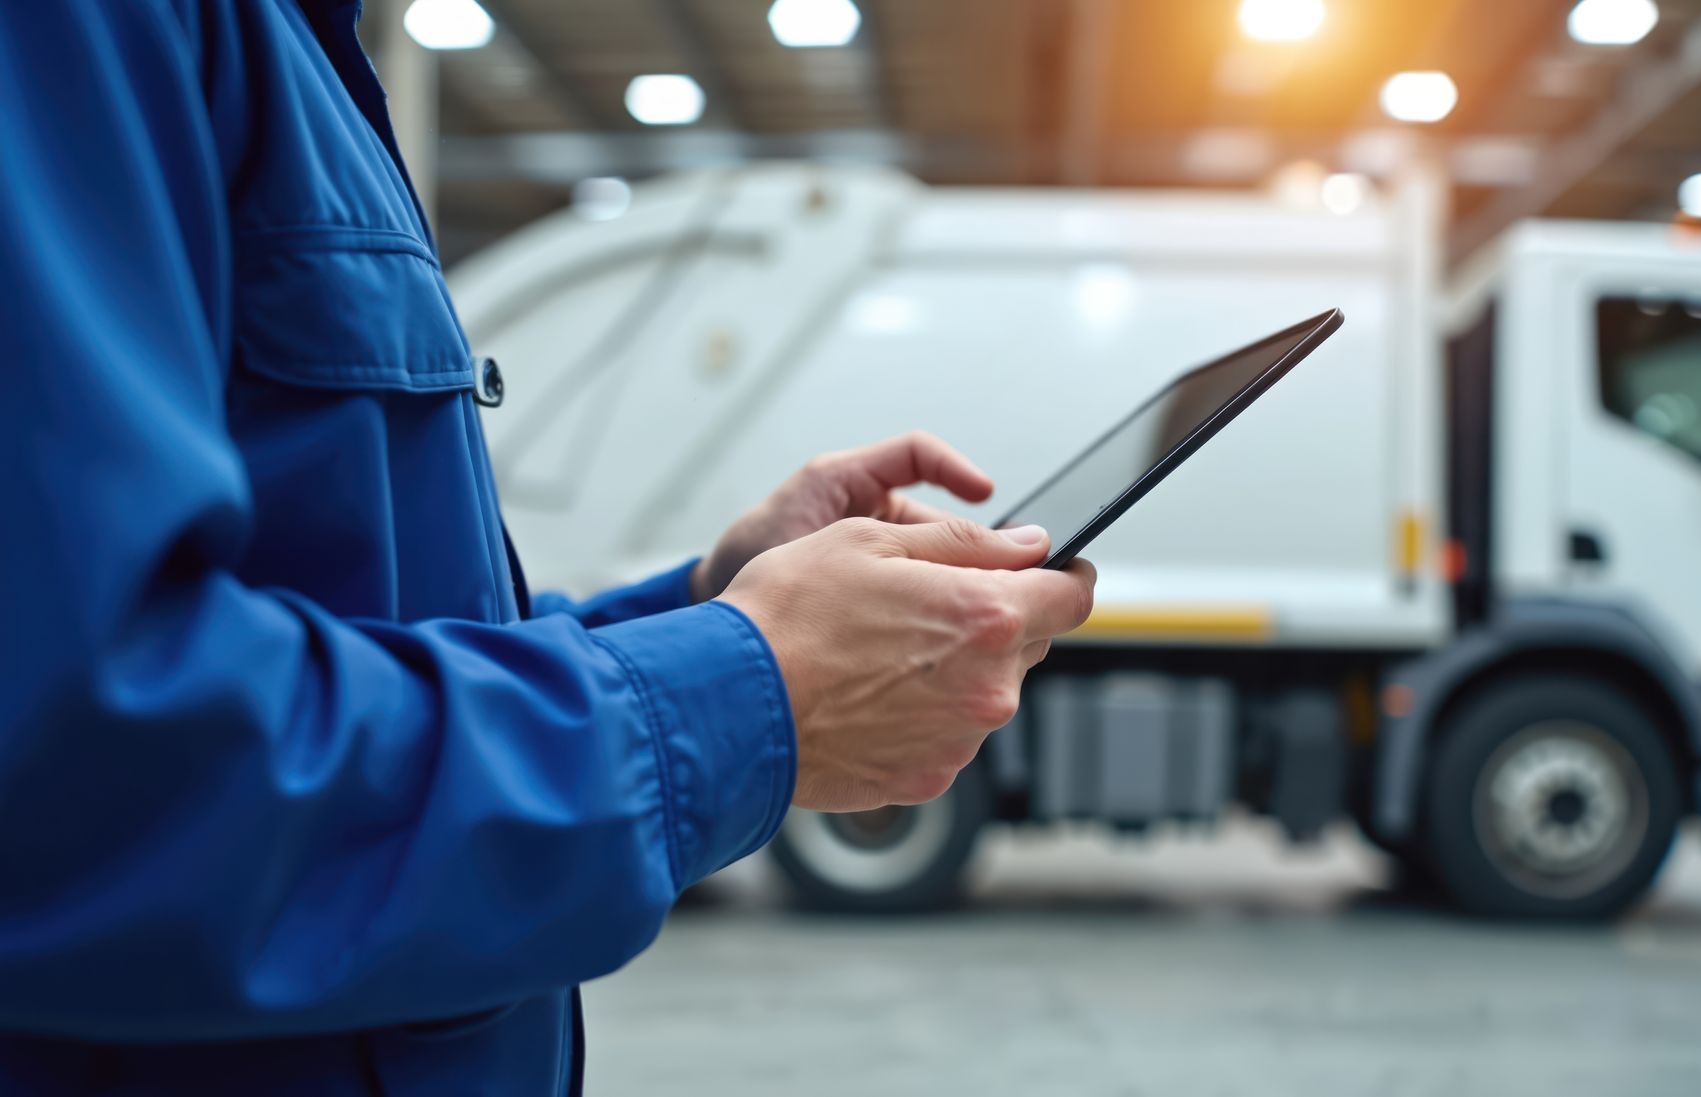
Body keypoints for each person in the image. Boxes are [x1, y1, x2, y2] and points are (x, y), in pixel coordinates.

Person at [0, 2, 1096, 1093]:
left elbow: (362, 627)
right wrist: (750, 688)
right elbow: (81, 762)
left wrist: (712, 606)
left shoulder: (301, 47)